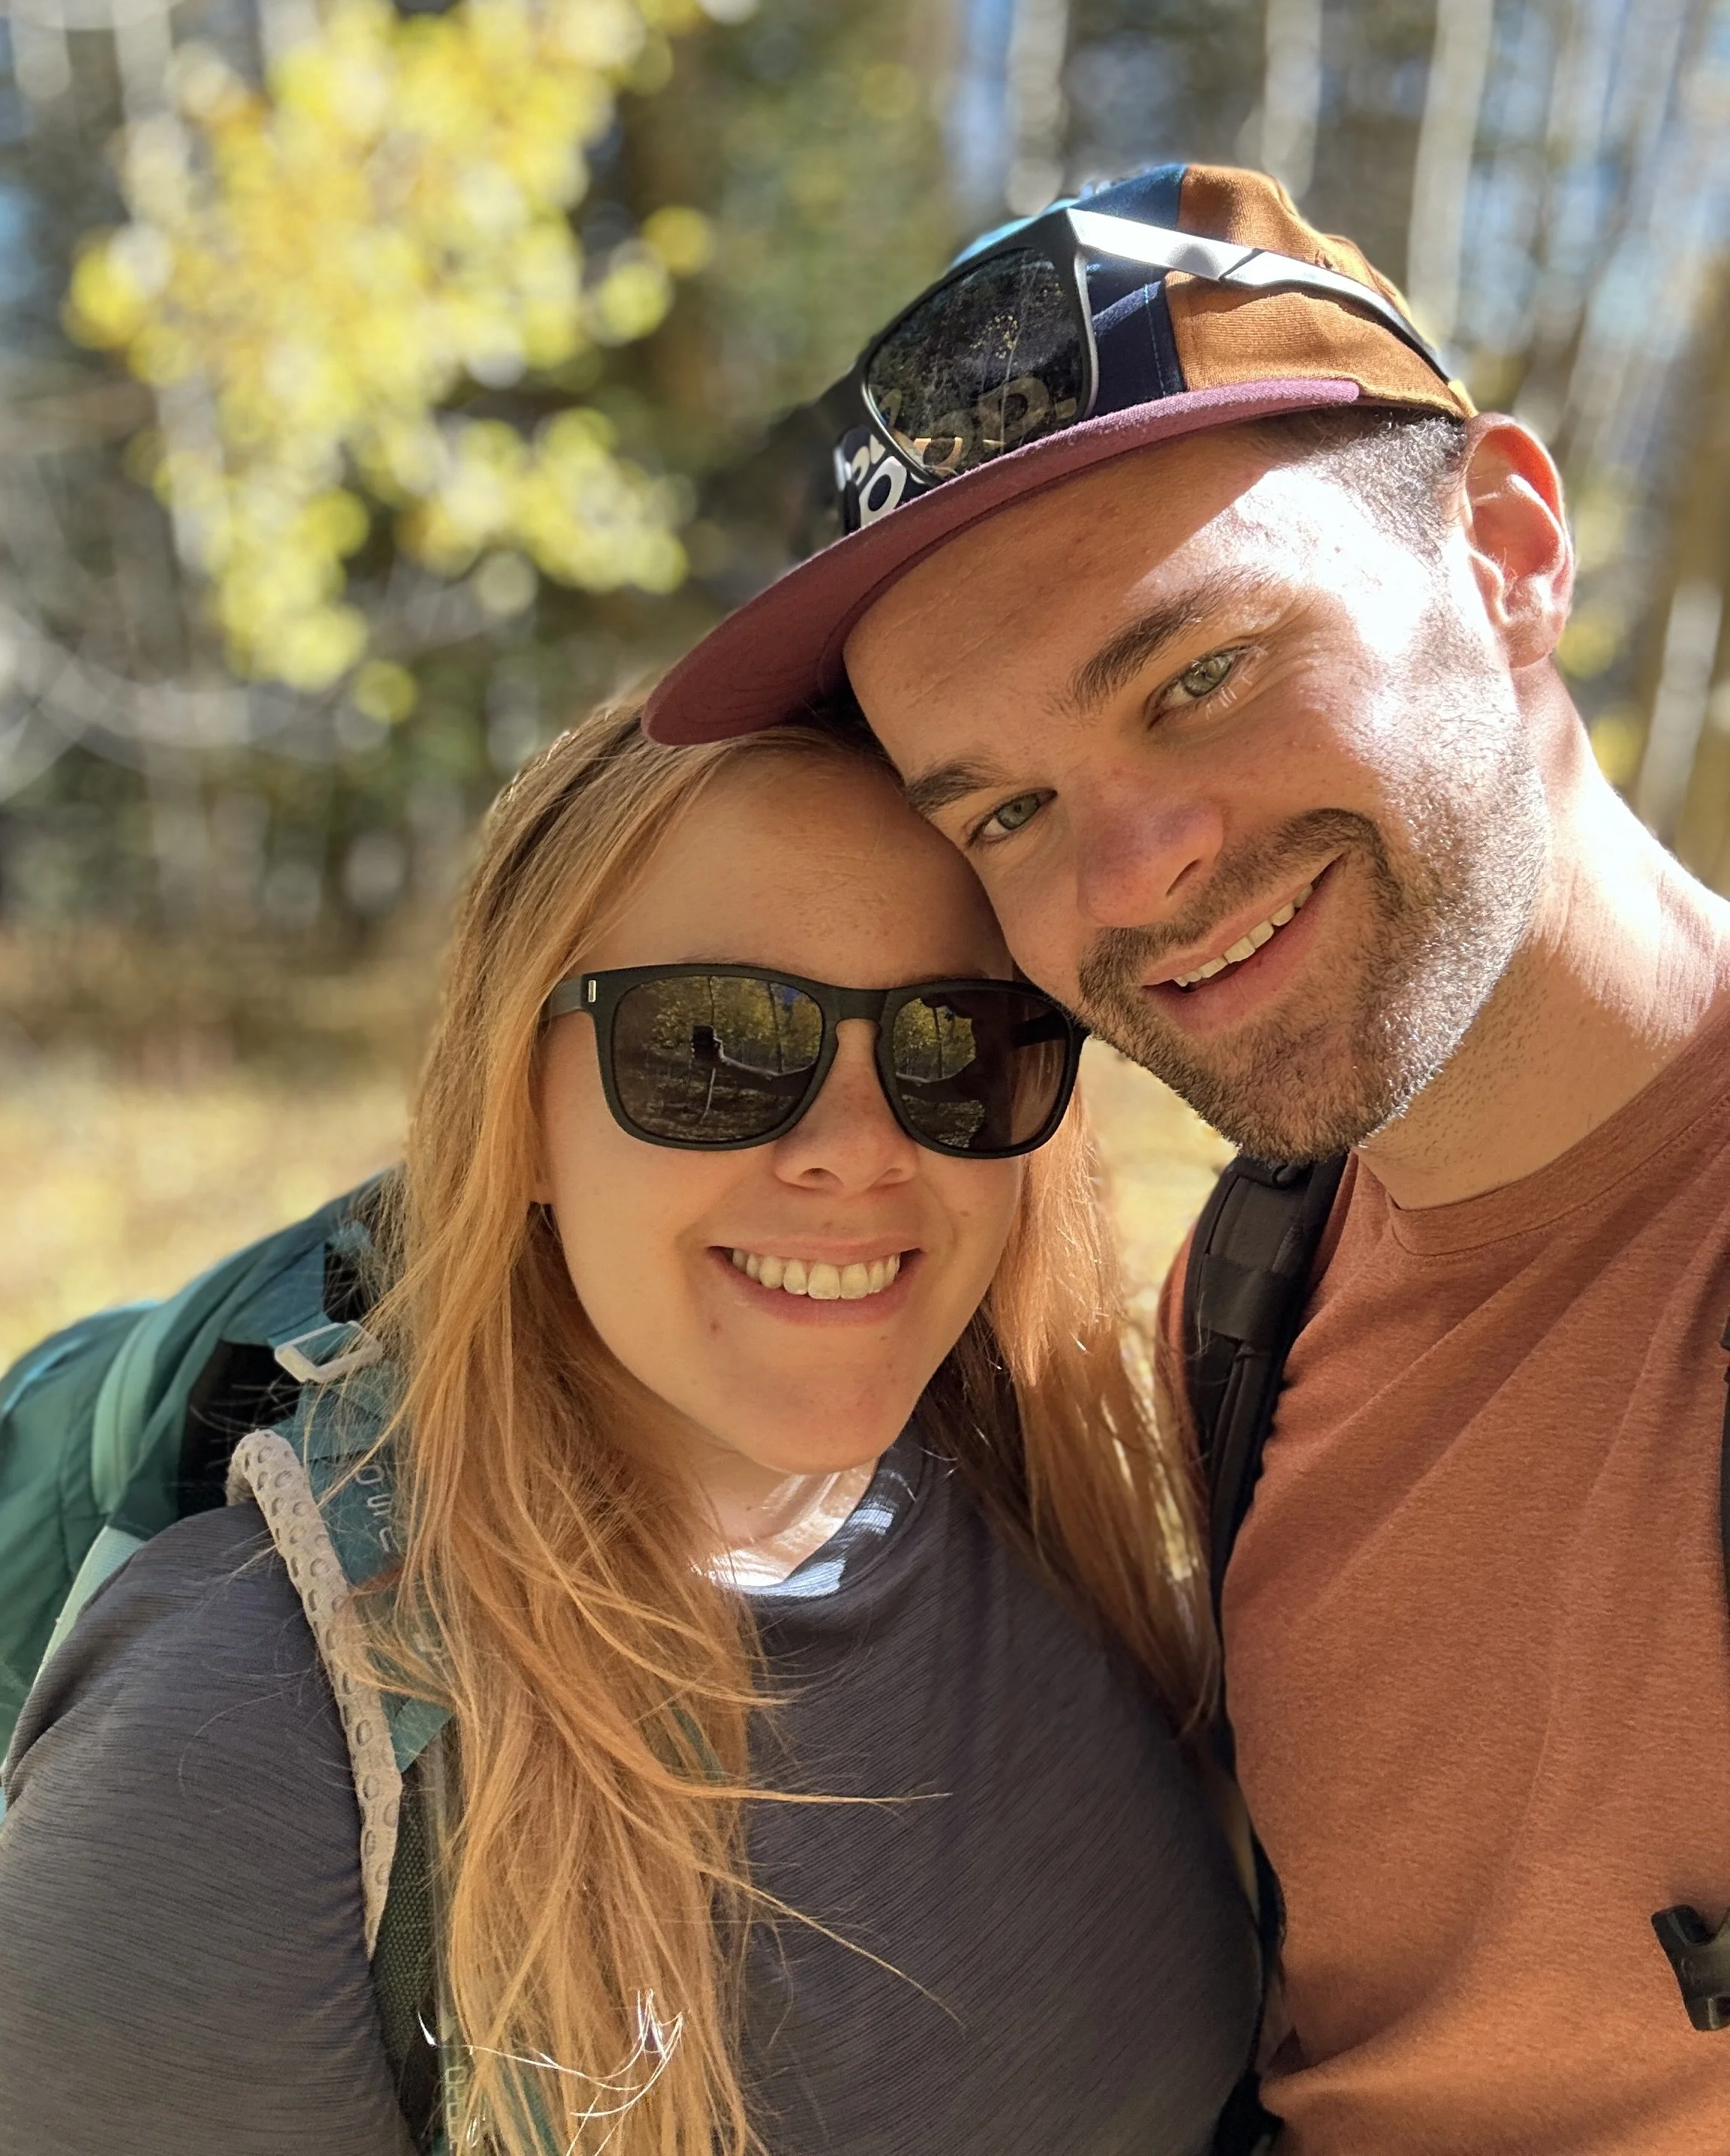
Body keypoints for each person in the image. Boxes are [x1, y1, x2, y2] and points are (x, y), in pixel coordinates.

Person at [644, 161, 1730, 2151]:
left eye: (1199, 675)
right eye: (1003, 814)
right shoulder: (1245, 1301)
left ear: (1504, 546)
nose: (1133, 881)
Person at [0, 698, 1262, 2156]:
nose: (858, 1147)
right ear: (517, 1109)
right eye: (716, 1041)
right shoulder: (233, 1754)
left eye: (957, 1045)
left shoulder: (1075, 1487)